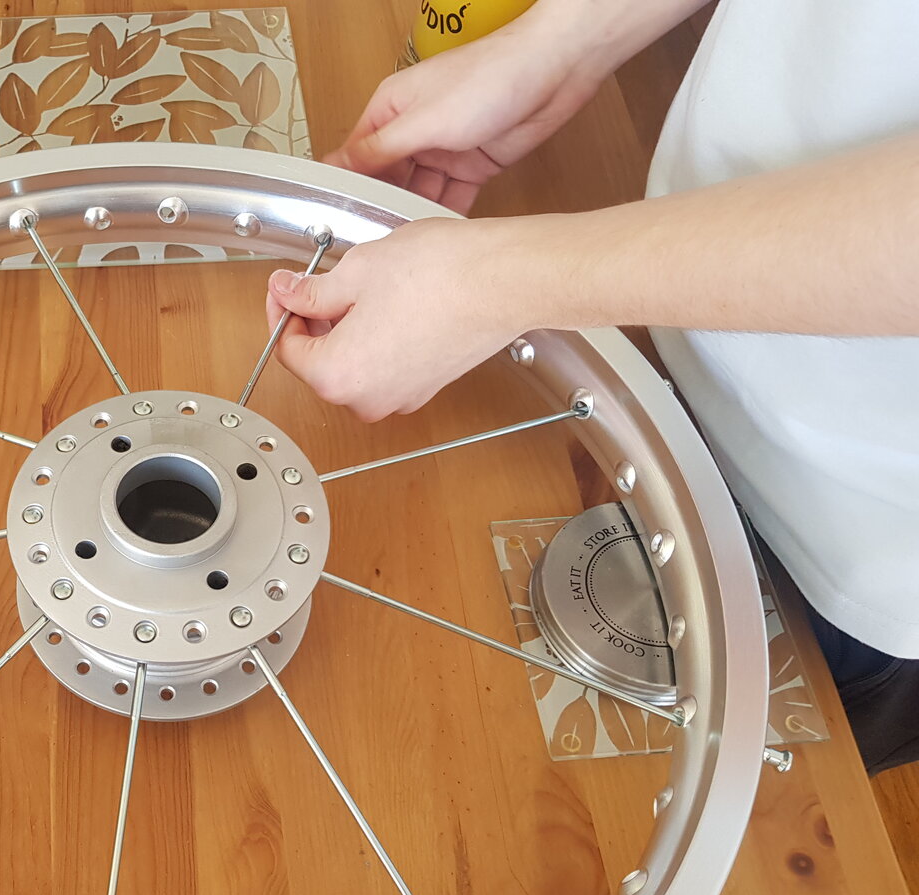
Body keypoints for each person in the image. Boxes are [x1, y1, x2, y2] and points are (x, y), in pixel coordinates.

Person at [267, 0, 919, 773]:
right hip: (651, 299)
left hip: (849, 522)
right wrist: (562, 43)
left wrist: (495, 283)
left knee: (743, 801)